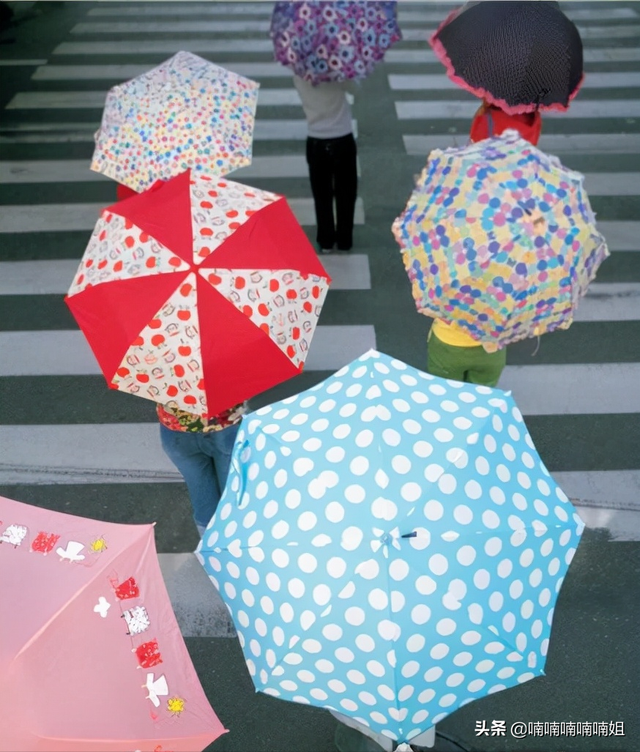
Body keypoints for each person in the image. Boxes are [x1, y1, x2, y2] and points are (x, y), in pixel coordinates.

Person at [426, 99, 542, 388]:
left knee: (445, 407)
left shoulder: (452, 245)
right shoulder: (512, 255)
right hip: (491, 349)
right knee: (480, 405)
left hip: (448, 345)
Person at [158, 401, 246, 537]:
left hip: (176, 428)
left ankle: (211, 549)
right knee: (232, 495)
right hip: (225, 423)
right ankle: (236, 543)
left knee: (202, 498)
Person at [293, 75, 358, 254]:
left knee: (322, 195)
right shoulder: (337, 73)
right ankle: (344, 239)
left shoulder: (300, 75)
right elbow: (355, 88)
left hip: (316, 140)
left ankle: (326, 240)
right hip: (342, 137)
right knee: (346, 192)